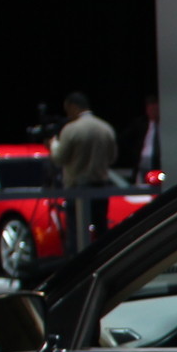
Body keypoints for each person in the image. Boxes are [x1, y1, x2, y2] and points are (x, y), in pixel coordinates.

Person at [49, 92, 117, 254]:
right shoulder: (105, 127)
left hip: (77, 189)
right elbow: (112, 158)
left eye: (68, 110)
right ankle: (104, 264)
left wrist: (53, 144)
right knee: (101, 231)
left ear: (73, 107)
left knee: (76, 236)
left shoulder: (71, 129)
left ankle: (78, 274)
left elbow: (59, 158)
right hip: (101, 188)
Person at [138, 94, 160, 180]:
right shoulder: (140, 125)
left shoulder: (166, 127)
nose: (152, 112)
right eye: (150, 109)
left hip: (161, 165)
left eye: (155, 109)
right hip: (144, 164)